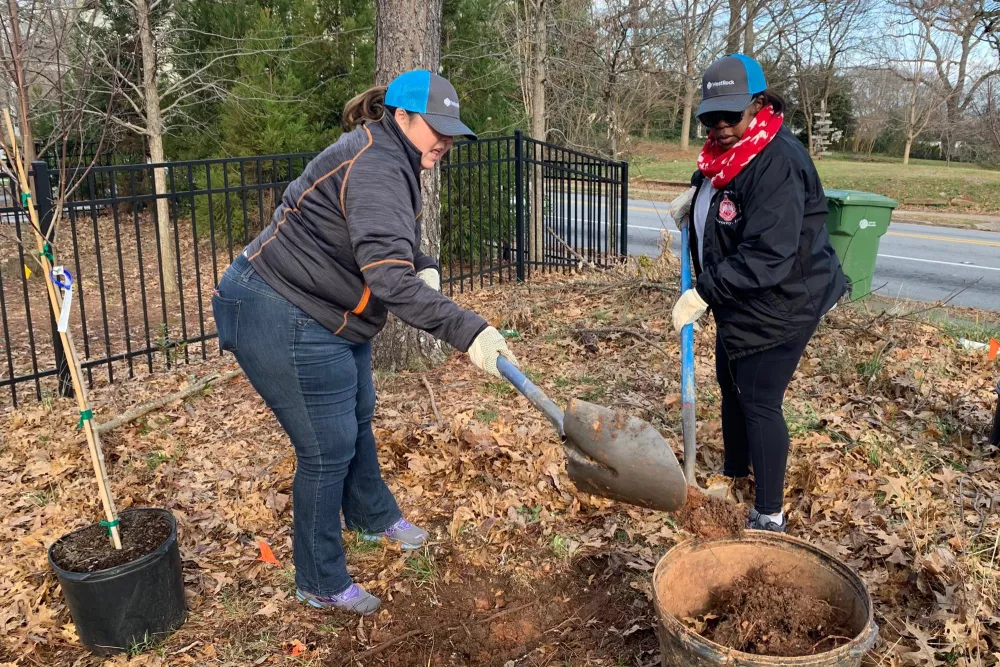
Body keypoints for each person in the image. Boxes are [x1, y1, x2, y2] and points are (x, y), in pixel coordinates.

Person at [212, 70, 518, 614]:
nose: (444, 141)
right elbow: (387, 280)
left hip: (329, 310)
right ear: (401, 115)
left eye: (452, 131)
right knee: (326, 447)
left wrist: (422, 265)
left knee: (356, 414)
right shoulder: (377, 164)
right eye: (436, 129)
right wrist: (469, 331)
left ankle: (372, 517)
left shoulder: (392, 154)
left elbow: (385, 240)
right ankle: (320, 580)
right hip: (280, 307)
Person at [670, 54, 847, 532]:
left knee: (759, 399)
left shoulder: (779, 161)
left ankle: (768, 514)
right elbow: (727, 202)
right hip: (741, 296)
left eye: (733, 115)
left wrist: (703, 291)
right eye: (711, 117)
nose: (722, 126)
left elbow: (770, 254)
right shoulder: (724, 155)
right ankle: (733, 473)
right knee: (731, 384)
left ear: (761, 104)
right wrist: (696, 198)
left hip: (786, 298)